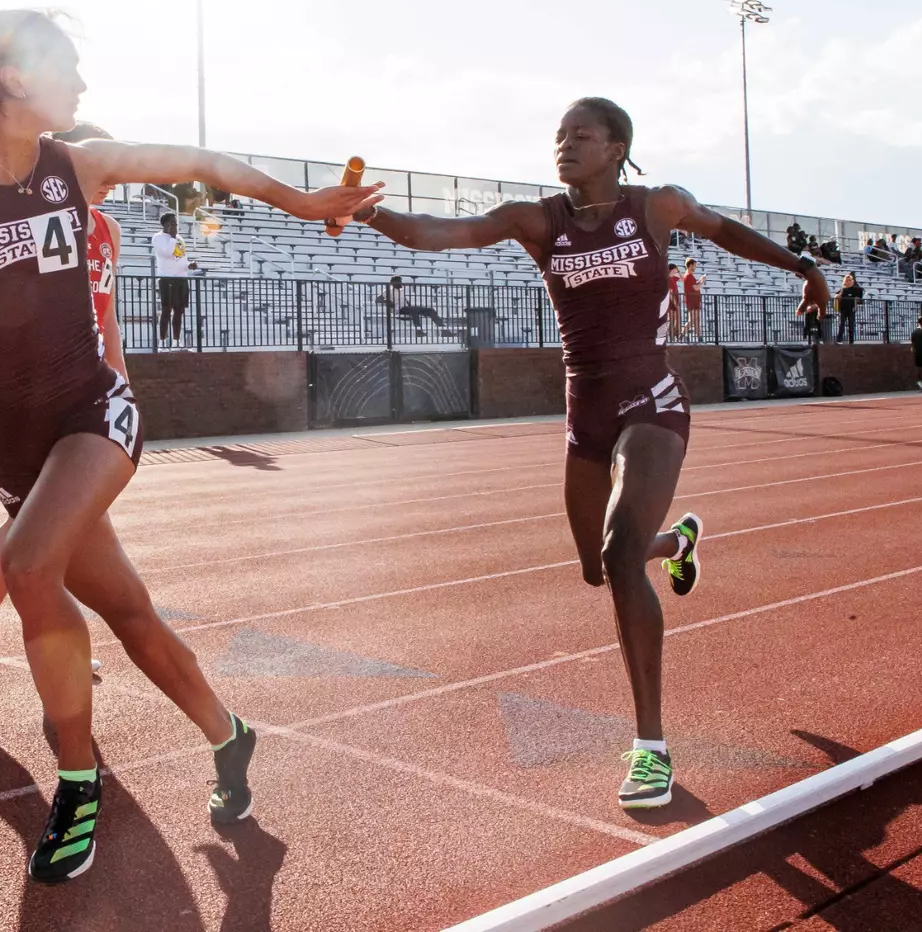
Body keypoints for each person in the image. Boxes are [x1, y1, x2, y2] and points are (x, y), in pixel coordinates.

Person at [0, 9, 380, 883]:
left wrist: (298, 201)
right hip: (10, 442)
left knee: (30, 566)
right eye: (69, 67)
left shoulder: (79, 166)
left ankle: (77, 784)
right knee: (130, 612)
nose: (84, 86)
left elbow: (199, 163)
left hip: (94, 409)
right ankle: (230, 734)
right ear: (17, 77)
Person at [346, 95, 829, 809]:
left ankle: (651, 749)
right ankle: (678, 542)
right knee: (598, 567)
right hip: (585, 413)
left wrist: (803, 268)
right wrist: (372, 214)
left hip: (651, 402)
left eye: (581, 136)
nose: (565, 147)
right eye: (558, 137)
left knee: (617, 547)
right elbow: (443, 232)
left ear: (616, 148)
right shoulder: (538, 221)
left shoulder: (657, 207)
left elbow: (728, 234)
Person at [0, 121, 122, 695]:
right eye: (100, 165)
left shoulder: (109, 232)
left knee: (69, 531)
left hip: (89, 396)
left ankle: (61, 640)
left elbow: (107, 317)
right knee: (26, 530)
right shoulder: (40, 218)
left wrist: (120, 386)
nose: (109, 179)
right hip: (30, 394)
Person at [152, 211, 196, 348]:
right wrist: (172, 237)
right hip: (167, 278)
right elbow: (165, 252)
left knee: (179, 311)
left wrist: (189, 265)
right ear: (166, 225)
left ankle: (176, 340)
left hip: (181, 279)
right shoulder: (158, 237)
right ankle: (162, 341)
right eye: (173, 223)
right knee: (166, 310)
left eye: (176, 223)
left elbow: (181, 257)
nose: (176, 226)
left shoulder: (180, 239)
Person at [835, 273, 863, 344]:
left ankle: (851, 341)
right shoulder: (842, 289)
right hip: (843, 309)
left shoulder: (856, 289)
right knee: (841, 324)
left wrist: (856, 304)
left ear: (852, 281)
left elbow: (859, 299)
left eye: (850, 280)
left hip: (851, 309)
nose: (848, 282)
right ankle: (839, 340)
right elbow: (836, 297)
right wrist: (840, 293)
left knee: (851, 325)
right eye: (847, 280)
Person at [681, 257, 705, 339]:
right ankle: (682, 334)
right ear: (690, 265)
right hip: (692, 301)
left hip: (694, 301)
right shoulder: (688, 276)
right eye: (694, 265)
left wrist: (700, 280)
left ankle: (700, 337)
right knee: (692, 320)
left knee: (697, 319)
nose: (695, 267)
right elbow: (696, 288)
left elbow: (694, 285)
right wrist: (702, 281)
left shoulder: (690, 276)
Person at [665, 263, 681, 340]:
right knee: (671, 319)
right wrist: (674, 303)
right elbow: (670, 292)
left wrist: (678, 271)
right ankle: (671, 337)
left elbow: (682, 279)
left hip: (675, 301)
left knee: (675, 319)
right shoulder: (668, 279)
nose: (676, 271)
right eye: (675, 269)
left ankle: (675, 336)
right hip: (671, 302)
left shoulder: (673, 278)